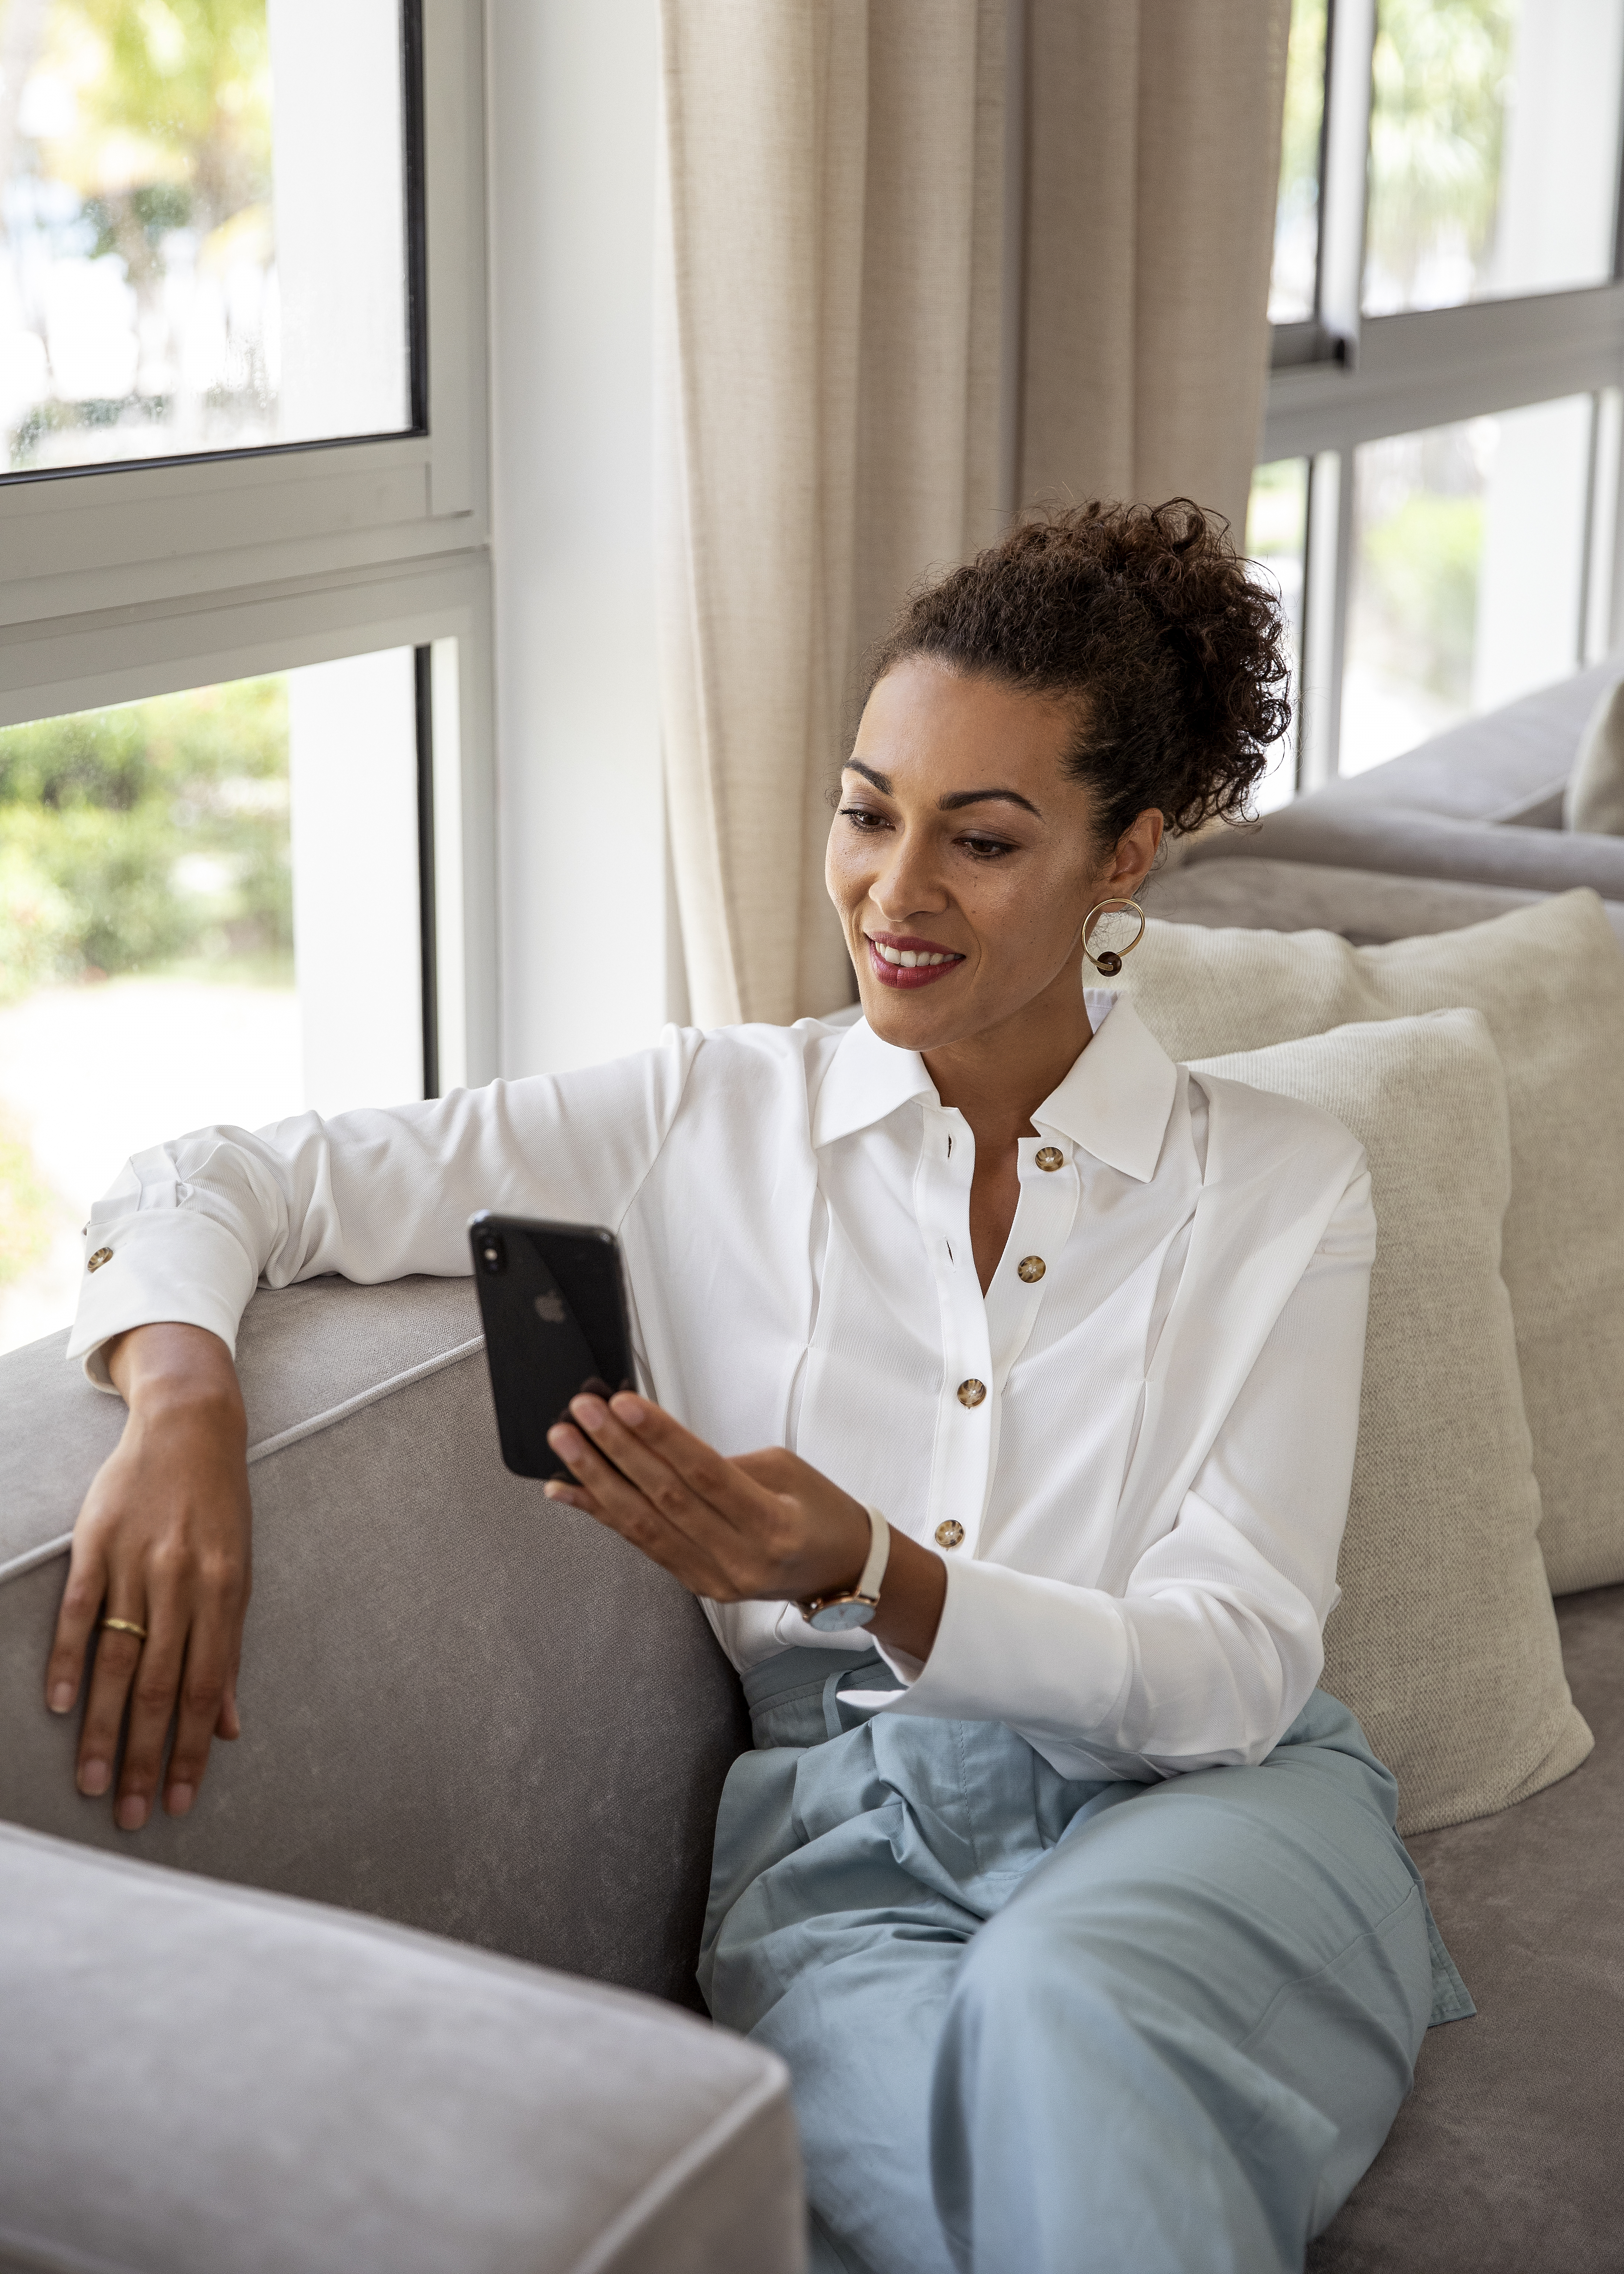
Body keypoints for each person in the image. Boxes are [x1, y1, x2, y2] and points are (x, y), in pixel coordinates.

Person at [49, 500, 1469, 2274]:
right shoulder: (698, 1115)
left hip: (1200, 1814)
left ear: (1126, 859)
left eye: (986, 838)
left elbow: (1240, 1660)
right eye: (868, 812)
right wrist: (184, 1403)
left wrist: (878, 1568)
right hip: (847, 1867)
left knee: (1058, 2011)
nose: (894, 891)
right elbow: (216, 1177)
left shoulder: (1281, 1183)